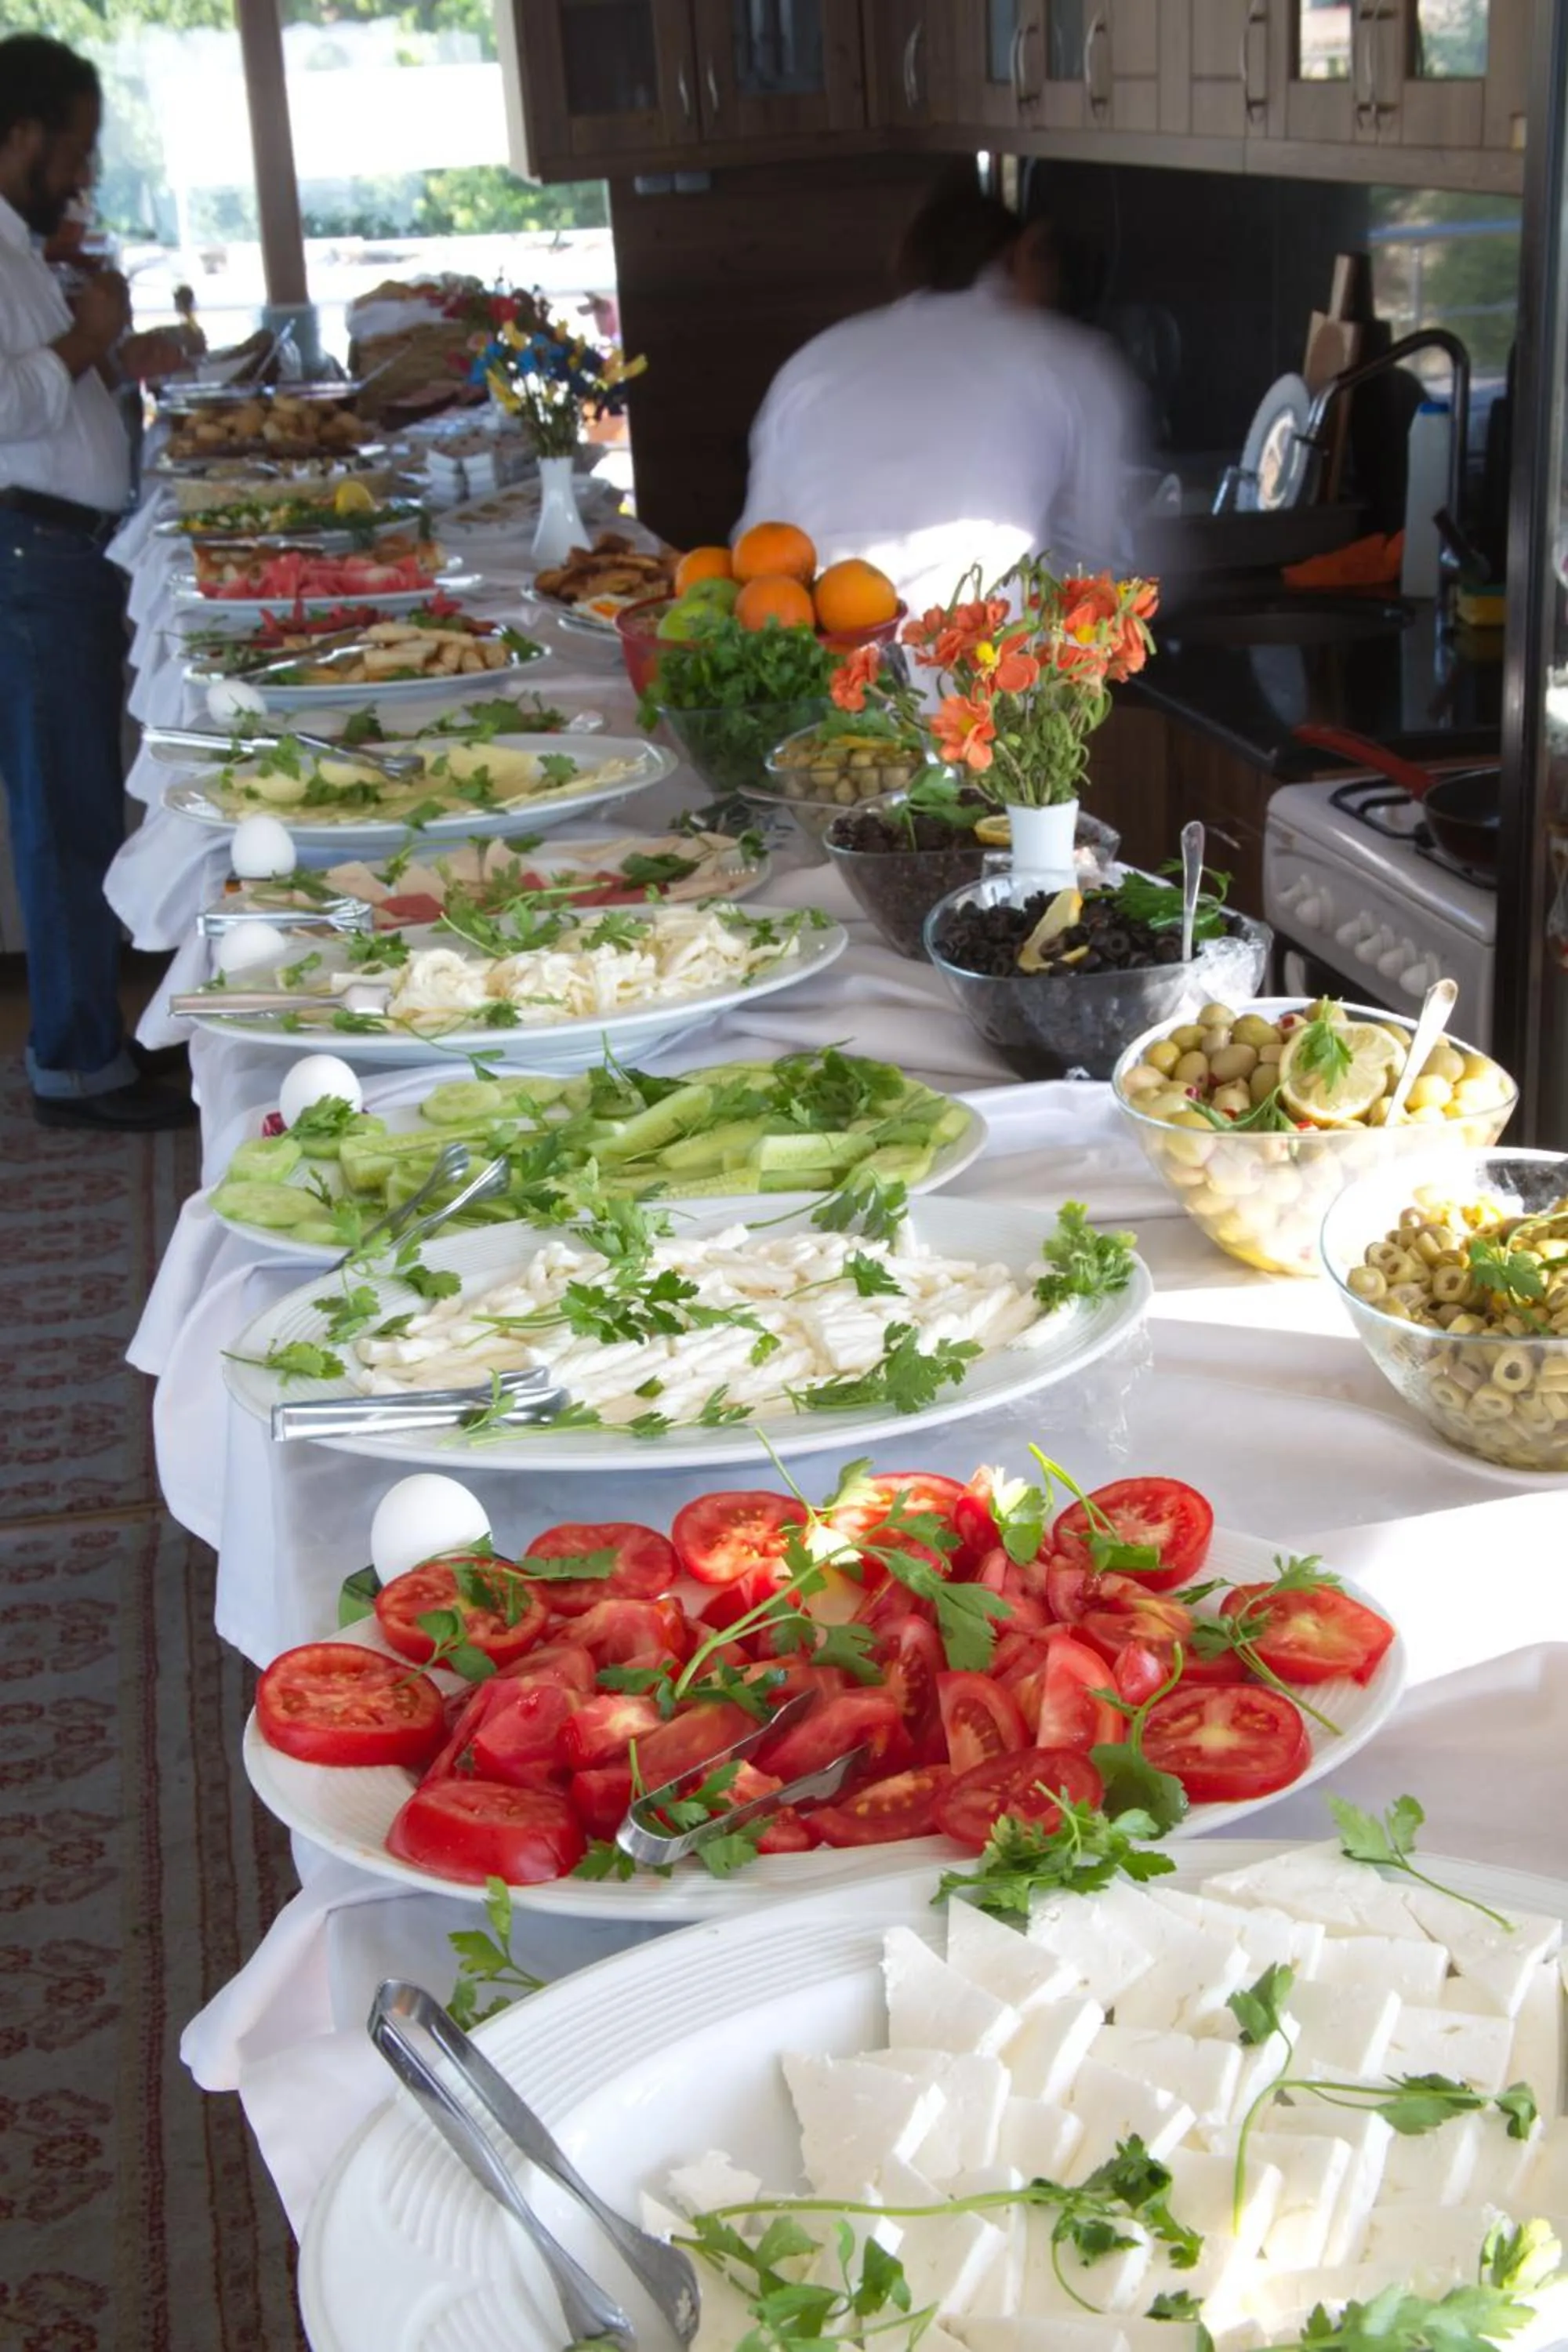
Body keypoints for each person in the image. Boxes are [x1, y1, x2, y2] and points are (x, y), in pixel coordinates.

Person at [0, 33, 191, 1128]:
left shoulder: (24, 246)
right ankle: (75, 1063)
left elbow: (51, 398)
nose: (79, 171)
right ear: (20, 131)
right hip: (26, 554)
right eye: (71, 147)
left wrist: (117, 357)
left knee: (84, 804)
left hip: (66, 548)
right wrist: (86, 340)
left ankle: (96, 1042)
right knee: (61, 815)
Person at [736, 181, 1139, 618]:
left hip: (814, 663)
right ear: (1022, 256)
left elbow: (757, 546)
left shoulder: (814, 360)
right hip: (977, 671)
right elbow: (1110, 558)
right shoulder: (1068, 360)